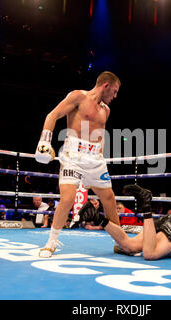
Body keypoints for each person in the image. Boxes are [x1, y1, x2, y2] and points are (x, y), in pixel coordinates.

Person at [34, 71, 122, 257]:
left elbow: (100, 135)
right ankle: (51, 242)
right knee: (67, 198)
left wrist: (100, 156)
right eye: (114, 91)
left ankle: (120, 242)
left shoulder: (105, 110)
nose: (115, 96)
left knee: (110, 199)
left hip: (95, 160)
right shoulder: (78, 96)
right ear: (105, 85)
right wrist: (44, 142)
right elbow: (53, 115)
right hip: (73, 155)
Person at [79, 185, 171, 260]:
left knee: (128, 246)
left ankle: (98, 218)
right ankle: (146, 205)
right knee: (150, 254)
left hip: (169, 222)